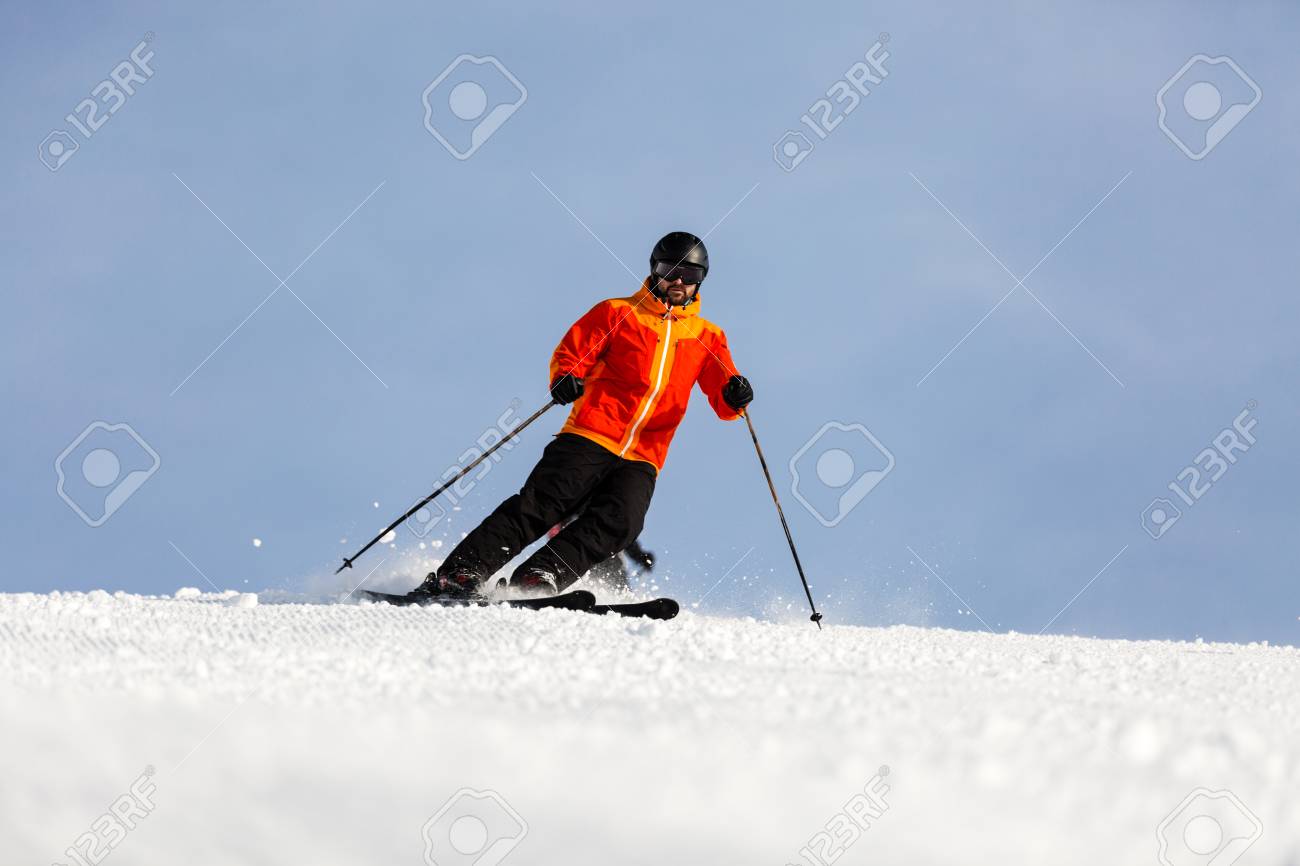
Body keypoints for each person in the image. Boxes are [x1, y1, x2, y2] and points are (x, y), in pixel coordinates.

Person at [417, 231, 752, 598]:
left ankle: (538, 576)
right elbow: (573, 352)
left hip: (644, 455)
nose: (679, 281)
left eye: (690, 275)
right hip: (592, 433)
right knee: (542, 505)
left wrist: (736, 394)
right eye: (670, 270)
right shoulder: (618, 312)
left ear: (701, 279)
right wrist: (566, 378)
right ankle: (461, 572)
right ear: (654, 271)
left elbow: (725, 402)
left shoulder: (708, 336)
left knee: (622, 523)